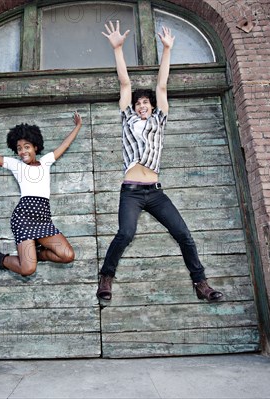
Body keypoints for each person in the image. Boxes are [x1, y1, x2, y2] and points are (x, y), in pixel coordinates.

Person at [96, 21, 223, 302]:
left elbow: (162, 84)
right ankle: (106, 278)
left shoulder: (159, 121)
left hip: (155, 192)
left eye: (146, 103)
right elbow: (125, 82)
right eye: (138, 103)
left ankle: (201, 285)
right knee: (126, 234)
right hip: (131, 191)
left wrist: (167, 49)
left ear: (152, 107)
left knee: (184, 234)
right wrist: (117, 49)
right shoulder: (127, 119)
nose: (142, 105)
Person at [0, 112, 82, 278]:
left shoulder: (46, 162)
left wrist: (78, 126)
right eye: (19, 148)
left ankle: (36, 253)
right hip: (24, 218)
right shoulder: (16, 165)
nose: (22, 151)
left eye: (27, 147)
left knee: (67, 255)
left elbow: (64, 145)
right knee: (28, 269)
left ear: (35, 147)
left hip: (43, 218)